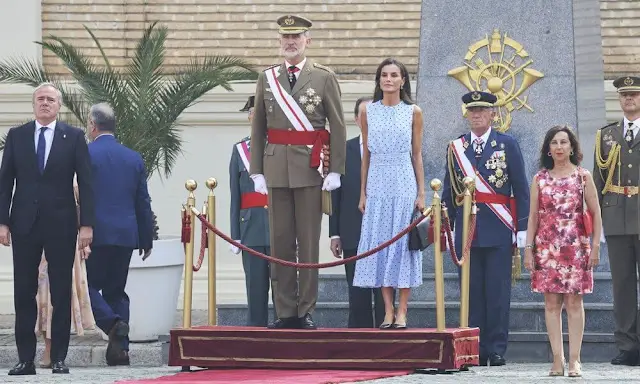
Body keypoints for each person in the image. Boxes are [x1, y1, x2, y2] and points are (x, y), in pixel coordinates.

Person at [249, 15, 347, 330]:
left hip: (310, 167)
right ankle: (285, 310)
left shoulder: (323, 77)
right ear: (280, 41)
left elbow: (339, 125)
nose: (290, 42)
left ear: (307, 41)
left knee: (307, 241)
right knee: (279, 242)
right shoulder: (267, 78)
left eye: (296, 37)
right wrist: (256, 171)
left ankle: (305, 309)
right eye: (286, 37)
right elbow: (259, 126)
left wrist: (336, 170)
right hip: (275, 166)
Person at [0, 82, 94, 375]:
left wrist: (87, 225)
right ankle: (26, 359)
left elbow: (87, 183)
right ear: (33, 104)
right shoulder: (17, 136)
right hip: (24, 224)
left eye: (50, 99)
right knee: (23, 292)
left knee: (61, 291)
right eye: (40, 99)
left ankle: (59, 358)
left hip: (62, 223)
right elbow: (4, 183)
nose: (44, 103)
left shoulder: (74, 137)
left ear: (59, 105)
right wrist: (2, 221)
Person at [442, 91, 529, 366]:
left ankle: (496, 348)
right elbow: (449, 191)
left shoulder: (507, 144)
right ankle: (473, 349)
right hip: (467, 231)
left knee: (498, 293)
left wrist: (522, 229)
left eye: (482, 110)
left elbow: (521, 189)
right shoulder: (456, 147)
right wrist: (447, 228)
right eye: (472, 110)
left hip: (499, 227)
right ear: (466, 113)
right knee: (470, 294)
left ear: (493, 114)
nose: (476, 114)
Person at [353, 58, 425, 330]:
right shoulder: (368, 111)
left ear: (403, 80)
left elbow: (417, 154)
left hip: (403, 179)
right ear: (379, 80)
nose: (389, 79)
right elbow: (366, 155)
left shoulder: (414, 112)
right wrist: (362, 193)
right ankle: (387, 310)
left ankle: (403, 310)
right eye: (384, 75)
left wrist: (421, 192)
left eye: (395, 75)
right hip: (377, 181)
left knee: (402, 247)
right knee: (380, 244)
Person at [524, 125, 602, 377]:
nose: (559, 147)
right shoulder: (539, 178)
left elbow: (596, 213)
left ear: (572, 147)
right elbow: (533, 217)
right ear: (548, 148)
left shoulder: (583, 176)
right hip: (547, 249)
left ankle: (575, 360)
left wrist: (596, 246)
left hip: (576, 246)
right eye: (554, 143)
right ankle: (558, 359)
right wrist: (528, 248)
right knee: (551, 303)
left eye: (564, 142)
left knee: (574, 302)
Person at [85, 103, 154, 366]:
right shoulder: (133, 157)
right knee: (116, 291)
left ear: (92, 125)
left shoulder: (85, 154)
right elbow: (142, 202)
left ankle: (114, 323)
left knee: (85, 287)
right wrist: (146, 238)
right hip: (126, 235)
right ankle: (120, 351)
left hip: (93, 234)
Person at [593, 75, 640, 366]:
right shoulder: (607, 136)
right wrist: (596, 222)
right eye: (624, 95)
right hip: (616, 217)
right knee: (621, 284)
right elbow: (599, 180)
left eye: (634, 94)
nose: (629, 99)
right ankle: (628, 345)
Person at [329, 96, 386, 328]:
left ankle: (385, 343)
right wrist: (335, 234)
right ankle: (360, 342)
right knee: (357, 294)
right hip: (352, 231)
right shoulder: (343, 151)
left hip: (384, 233)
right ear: (355, 119)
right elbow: (335, 194)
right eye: (364, 115)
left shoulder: (388, 149)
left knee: (383, 295)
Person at [36, 182, 95, 368]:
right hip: (37, 242)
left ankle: (55, 350)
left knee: (60, 295)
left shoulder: (74, 175)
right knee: (42, 295)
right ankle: (47, 346)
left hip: (66, 239)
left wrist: (84, 240)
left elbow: (82, 206)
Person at [229, 95, 273, 327]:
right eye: (253, 114)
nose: (256, 118)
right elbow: (235, 195)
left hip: (279, 226)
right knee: (255, 287)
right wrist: (235, 234)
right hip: (251, 228)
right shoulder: (240, 150)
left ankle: (285, 333)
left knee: (283, 288)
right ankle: (256, 332)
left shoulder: (281, 147)